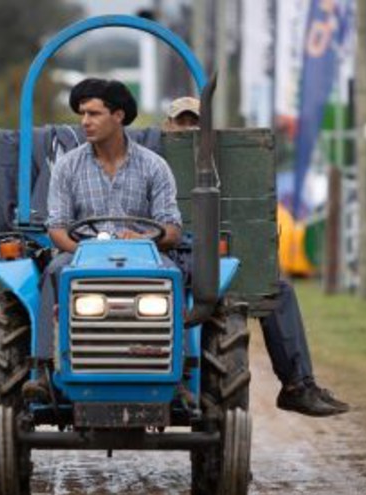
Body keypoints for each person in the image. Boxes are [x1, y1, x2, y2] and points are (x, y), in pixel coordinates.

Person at [164, 96, 348, 417]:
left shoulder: (230, 163)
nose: (189, 128)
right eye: (182, 121)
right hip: (164, 258)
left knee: (276, 290)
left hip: (203, 258)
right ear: (168, 125)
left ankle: (297, 385)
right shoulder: (157, 159)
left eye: (196, 122)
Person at [33, 78, 183, 370]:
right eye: (82, 114)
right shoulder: (68, 166)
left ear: (118, 116)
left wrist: (145, 240)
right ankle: (43, 365)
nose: (85, 121)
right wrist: (83, 252)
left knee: (173, 275)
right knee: (53, 270)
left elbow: (172, 229)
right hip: (81, 253)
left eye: (94, 113)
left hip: (143, 256)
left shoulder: (154, 166)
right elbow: (57, 227)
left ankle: (184, 363)